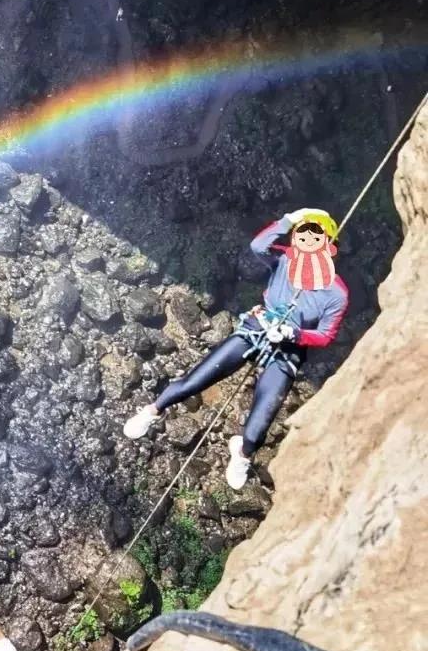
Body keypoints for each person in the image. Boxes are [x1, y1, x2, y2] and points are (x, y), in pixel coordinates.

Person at [123, 208, 348, 489]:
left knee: (257, 428)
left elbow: (325, 335)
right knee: (195, 381)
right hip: (257, 328)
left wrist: (295, 333)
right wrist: (288, 219)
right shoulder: (284, 261)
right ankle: (152, 411)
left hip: (288, 350)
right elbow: (257, 246)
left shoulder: (336, 293)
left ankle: (242, 452)